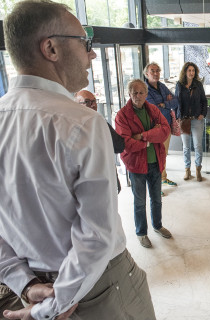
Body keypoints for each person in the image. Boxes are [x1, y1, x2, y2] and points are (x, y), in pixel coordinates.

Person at [0, 1, 156, 319]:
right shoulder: (82, 122)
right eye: (85, 43)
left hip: (36, 286)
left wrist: (24, 284)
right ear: (51, 48)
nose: (92, 54)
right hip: (100, 290)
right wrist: (53, 306)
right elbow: (97, 236)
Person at [115, 79, 172, 248]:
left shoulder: (152, 109)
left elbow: (165, 130)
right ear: (129, 94)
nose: (138, 96)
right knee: (139, 202)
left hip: (155, 162)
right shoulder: (122, 115)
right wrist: (150, 140)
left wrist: (143, 135)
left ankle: (157, 225)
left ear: (146, 94)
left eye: (141, 93)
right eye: (134, 93)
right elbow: (126, 143)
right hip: (136, 166)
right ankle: (141, 232)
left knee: (156, 199)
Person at [75, 90, 125, 193]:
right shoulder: (72, 128)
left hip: (106, 179)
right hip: (86, 186)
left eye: (94, 101)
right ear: (76, 105)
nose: (93, 105)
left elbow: (119, 145)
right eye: (87, 102)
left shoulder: (101, 123)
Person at [144, 62, 179, 189]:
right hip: (155, 128)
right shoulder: (145, 89)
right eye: (152, 71)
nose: (155, 73)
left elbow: (176, 101)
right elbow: (154, 109)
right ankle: (156, 186)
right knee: (156, 156)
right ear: (146, 74)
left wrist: (164, 104)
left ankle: (163, 178)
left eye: (157, 70)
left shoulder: (162, 86)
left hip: (167, 125)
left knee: (164, 154)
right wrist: (167, 102)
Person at [175, 62, 208, 182]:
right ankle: (187, 170)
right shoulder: (179, 85)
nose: (191, 73)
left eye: (193, 70)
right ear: (185, 72)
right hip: (184, 120)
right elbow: (176, 102)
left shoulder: (198, 84)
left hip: (196, 120)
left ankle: (198, 170)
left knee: (198, 146)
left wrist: (203, 114)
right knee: (186, 147)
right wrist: (178, 116)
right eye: (189, 70)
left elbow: (204, 101)